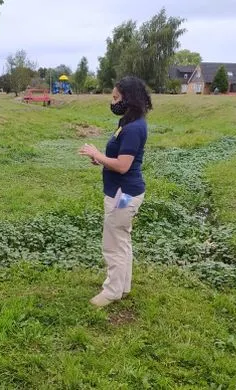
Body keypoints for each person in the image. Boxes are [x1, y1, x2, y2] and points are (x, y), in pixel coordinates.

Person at [78, 76, 151, 307]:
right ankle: (122, 286)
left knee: (113, 243)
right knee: (122, 240)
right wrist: (100, 159)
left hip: (124, 195)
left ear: (129, 99)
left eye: (116, 98)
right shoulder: (127, 123)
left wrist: (98, 155)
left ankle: (111, 292)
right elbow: (117, 159)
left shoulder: (133, 128)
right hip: (122, 192)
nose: (113, 102)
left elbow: (123, 166)